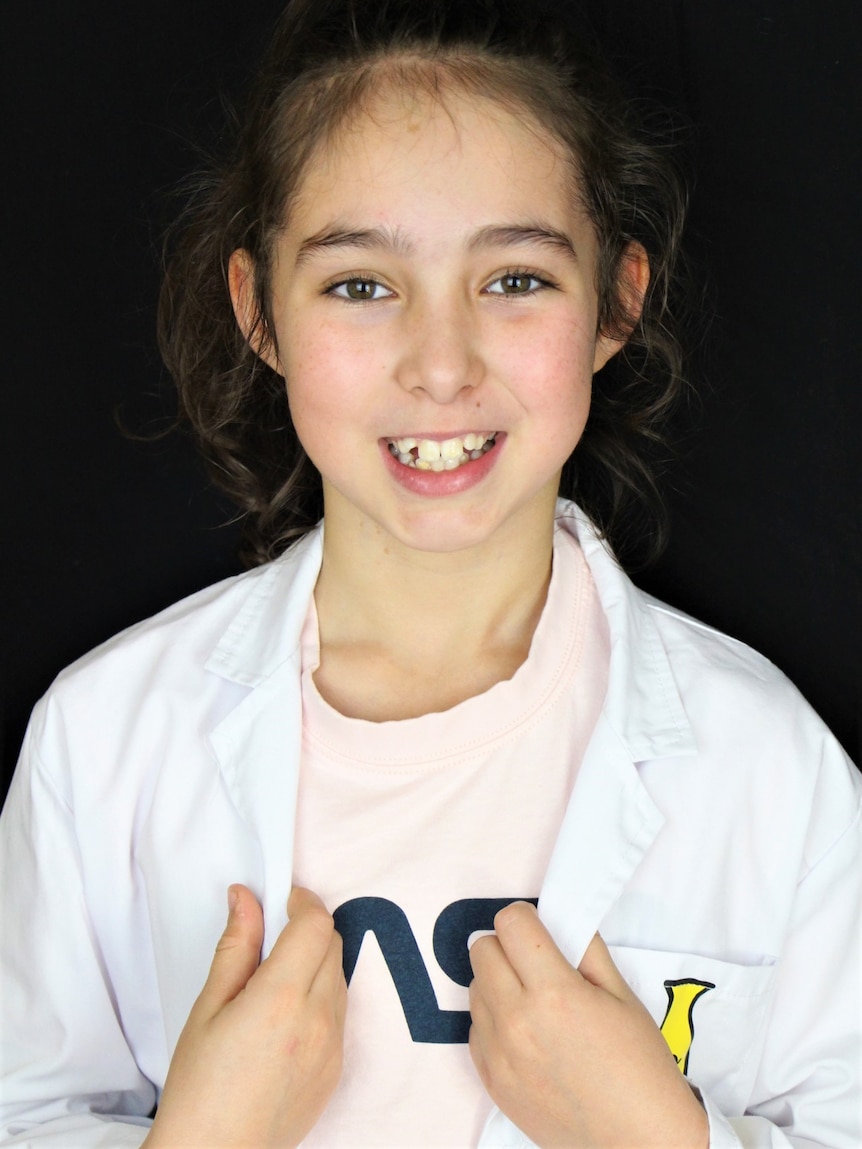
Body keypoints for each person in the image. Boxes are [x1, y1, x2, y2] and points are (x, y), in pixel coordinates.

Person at [1, 0, 859, 1145]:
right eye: (360, 284)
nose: (441, 365)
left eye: (514, 280)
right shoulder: (99, 746)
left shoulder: (771, 767)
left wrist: (660, 1139)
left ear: (617, 300)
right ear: (259, 311)